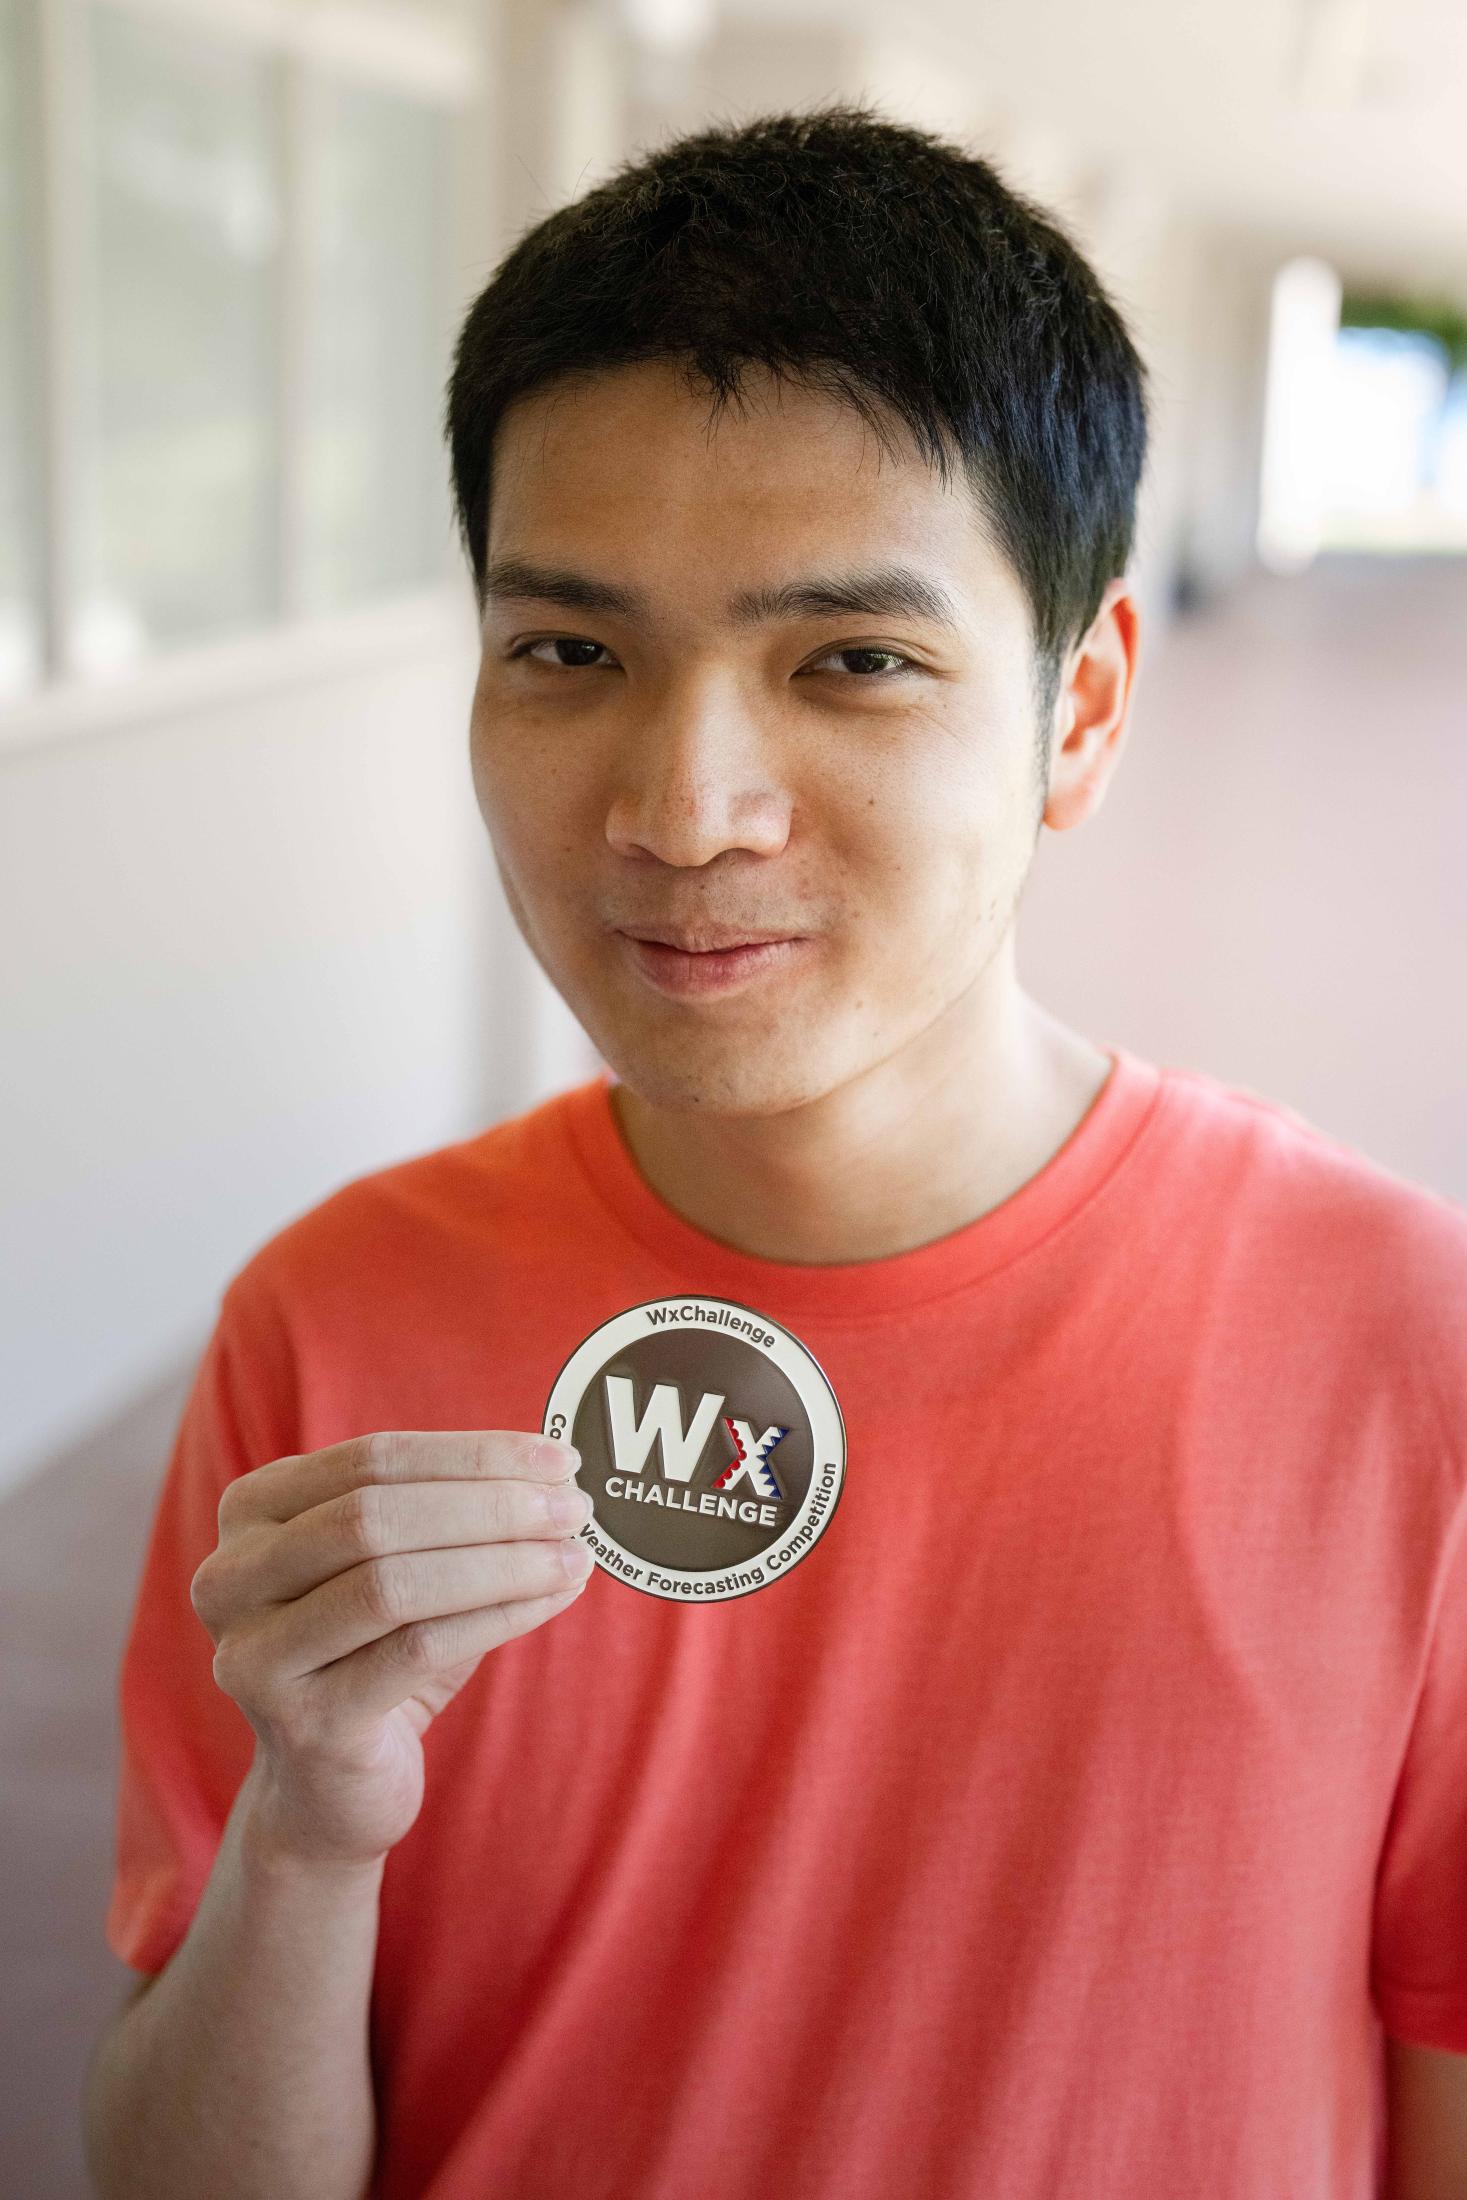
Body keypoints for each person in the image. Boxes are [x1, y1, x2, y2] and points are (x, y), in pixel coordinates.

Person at [82, 101, 1467, 2200]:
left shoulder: (1400, 1353)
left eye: (849, 662)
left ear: (1077, 707)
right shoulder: (336, 1322)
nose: (683, 804)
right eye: (569, 652)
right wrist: (307, 1827)